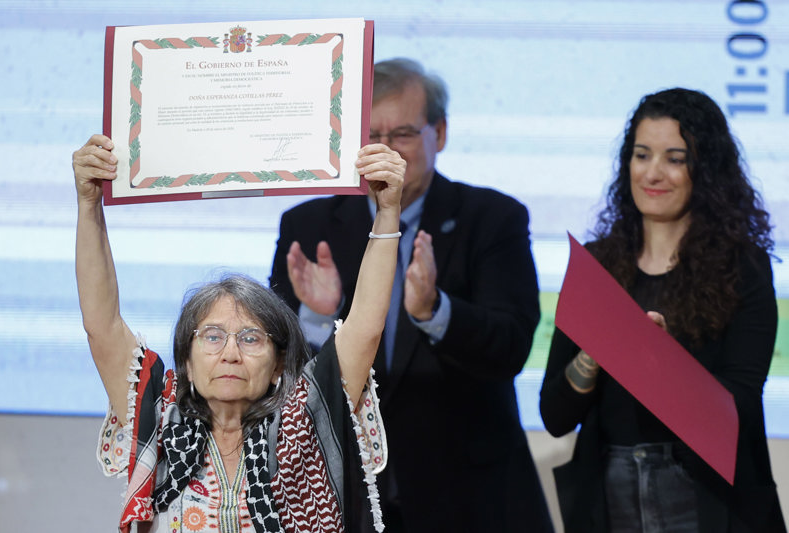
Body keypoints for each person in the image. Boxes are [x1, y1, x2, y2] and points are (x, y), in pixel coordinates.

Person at [270, 58, 553, 532]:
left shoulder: (494, 218)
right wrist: (317, 320)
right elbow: (278, 373)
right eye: (372, 135)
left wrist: (436, 312)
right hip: (346, 496)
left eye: (401, 134)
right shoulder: (307, 225)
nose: (385, 151)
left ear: (438, 134)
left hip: (469, 497)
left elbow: (512, 346)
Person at [72, 134, 406, 532]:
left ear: (280, 364)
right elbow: (102, 325)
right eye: (212, 336)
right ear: (187, 365)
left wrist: (387, 211)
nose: (231, 353)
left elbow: (365, 328)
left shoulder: (302, 422)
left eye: (250, 338)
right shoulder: (160, 420)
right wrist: (89, 203)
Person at [540, 88, 786, 532]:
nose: (653, 173)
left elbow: (741, 409)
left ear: (704, 171)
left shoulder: (744, 267)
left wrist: (662, 363)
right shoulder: (597, 265)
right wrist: (593, 356)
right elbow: (555, 418)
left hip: (706, 496)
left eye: (675, 158)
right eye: (641, 155)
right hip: (608, 496)